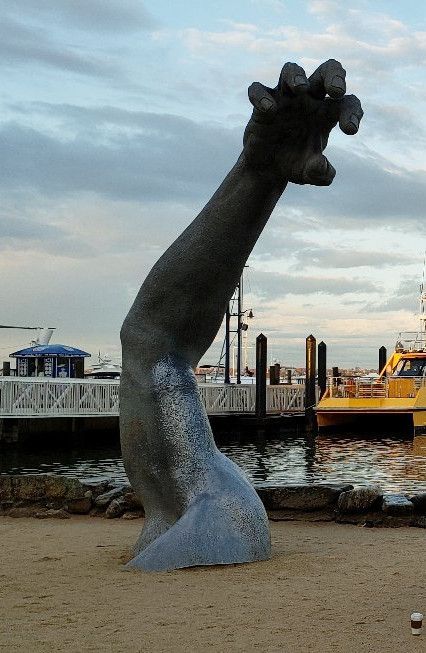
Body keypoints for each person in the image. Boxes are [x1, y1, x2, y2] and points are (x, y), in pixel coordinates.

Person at [119, 60, 362, 571]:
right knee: (152, 352)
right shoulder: (209, 504)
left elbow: (150, 341)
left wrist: (257, 178)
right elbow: (148, 339)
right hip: (189, 517)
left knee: (153, 355)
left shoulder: (223, 516)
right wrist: (258, 175)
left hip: (202, 524)